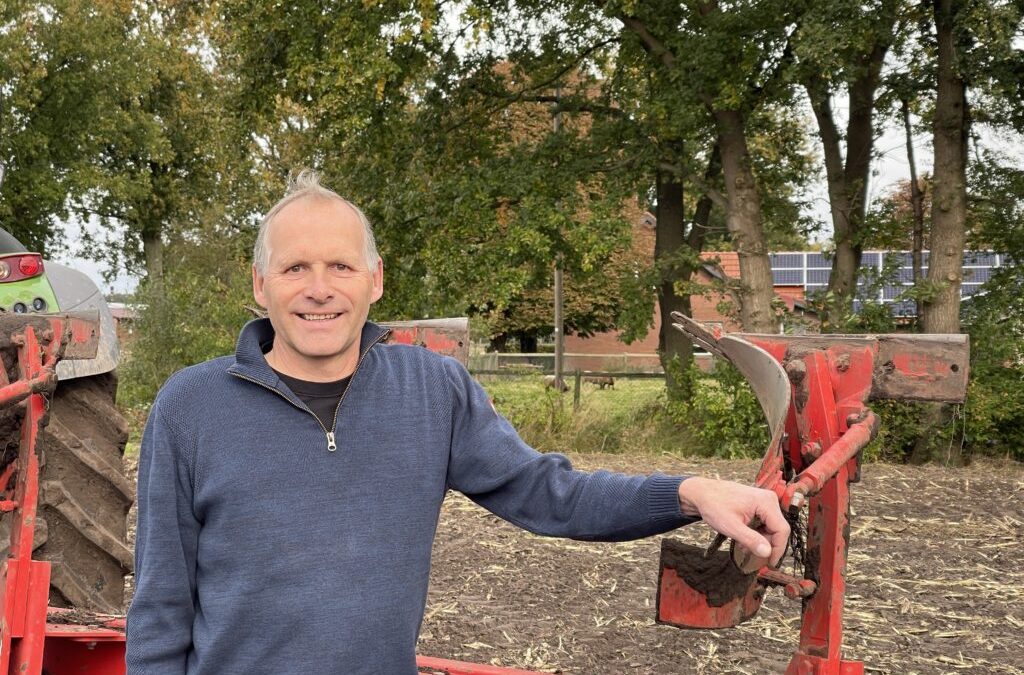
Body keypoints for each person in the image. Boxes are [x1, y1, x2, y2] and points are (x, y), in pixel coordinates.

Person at [126, 170, 789, 675]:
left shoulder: (431, 391)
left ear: (375, 280)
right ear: (260, 284)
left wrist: (689, 492)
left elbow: (550, 493)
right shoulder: (191, 407)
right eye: (295, 267)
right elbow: (160, 608)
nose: (319, 288)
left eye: (340, 266)